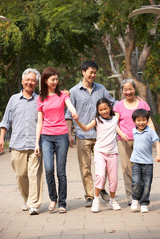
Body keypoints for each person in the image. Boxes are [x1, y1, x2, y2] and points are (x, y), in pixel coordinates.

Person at [65, 61, 116, 207]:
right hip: (82, 136)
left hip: (101, 136)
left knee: (104, 167)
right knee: (85, 168)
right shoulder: (74, 91)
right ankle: (90, 195)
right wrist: (70, 135)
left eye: (95, 73)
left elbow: (113, 104)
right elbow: (68, 114)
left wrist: (130, 103)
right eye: (90, 72)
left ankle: (100, 189)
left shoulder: (101, 89)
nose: (93, 75)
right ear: (83, 72)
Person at [35, 67, 78, 214]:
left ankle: (62, 202)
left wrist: (74, 112)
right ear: (45, 81)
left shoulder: (62, 95)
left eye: (56, 79)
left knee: (61, 172)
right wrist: (37, 143)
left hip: (61, 137)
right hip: (46, 137)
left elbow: (70, 106)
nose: (55, 82)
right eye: (52, 79)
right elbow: (39, 122)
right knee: (48, 169)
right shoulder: (41, 98)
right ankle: (53, 198)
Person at [0, 68, 43, 215]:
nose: (30, 82)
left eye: (33, 80)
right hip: (17, 144)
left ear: (36, 83)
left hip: (35, 144)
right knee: (20, 175)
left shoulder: (40, 100)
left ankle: (33, 204)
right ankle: (26, 199)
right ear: (22, 81)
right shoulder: (13, 100)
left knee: (34, 175)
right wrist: (1, 138)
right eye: (28, 79)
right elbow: (5, 121)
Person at [74, 98, 123, 212]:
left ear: (110, 108)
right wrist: (77, 121)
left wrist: (137, 99)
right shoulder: (97, 120)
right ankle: (96, 200)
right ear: (98, 110)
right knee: (100, 176)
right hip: (100, 152)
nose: (104, 111)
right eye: (101, 110)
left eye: (106, 108)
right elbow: (85, 128)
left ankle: (112, 201)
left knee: (114, 179)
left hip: (112, 153)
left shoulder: (115, 119)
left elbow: (122, 107)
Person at [113, 79, 155, 206]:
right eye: (125, 89)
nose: (128, 91)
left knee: (142, 169)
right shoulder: (118, 105)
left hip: (141, 141)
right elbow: (114, 123)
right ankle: (131, 197)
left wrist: (154, 137)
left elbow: (149, 121)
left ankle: (141, 195)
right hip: (124, 140)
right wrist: (121, 134)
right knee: (127, 169)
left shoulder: (143, 104)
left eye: (130, 89)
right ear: (122, 91)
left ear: (134, 89)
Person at [130, 109, 160, 213]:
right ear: (134, 121)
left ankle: (144, 203)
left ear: (147, 121)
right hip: (136, 162)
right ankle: (134, 199)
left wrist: (158, 155)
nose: (141, 122)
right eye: (139, 120)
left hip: (148, 163)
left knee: (147, 184)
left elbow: (157, 143)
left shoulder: (150, 131)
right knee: (136, 181)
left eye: (144, 120)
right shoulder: (133, 131)